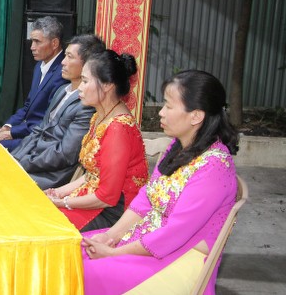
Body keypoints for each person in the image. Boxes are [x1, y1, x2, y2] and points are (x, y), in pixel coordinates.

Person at [81, 70, 239, 295]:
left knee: (81, 271)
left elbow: (174, 233)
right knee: (70, 249)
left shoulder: (214, 167)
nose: (161, 113)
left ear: (196, 116)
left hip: (178, 260)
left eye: (168, 106)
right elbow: (147, 198)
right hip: (148, 240)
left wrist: (114, 253)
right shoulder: (178, 146)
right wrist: (111, 236)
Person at [44, 49, 148, 231]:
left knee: (47, 226)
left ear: (107, 85)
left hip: (114, 213)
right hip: (95, 198)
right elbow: (93, 174)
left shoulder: (118, 128)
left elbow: (107, 197)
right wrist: (58, 192)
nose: (80, 87)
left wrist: (62, 202)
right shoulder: (101, 116)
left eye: (85, 81)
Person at [10, 34, 105, 189]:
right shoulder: (61, 90)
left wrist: (24, 162)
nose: (62, 62)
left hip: (50, 175)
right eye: (65, 56)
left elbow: (65, 154)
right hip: (33, 159)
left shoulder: (87, 105)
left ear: (88, 65)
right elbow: (40, 129)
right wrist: (15, 157)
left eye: (69, 57)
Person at [0, 16, 68, 150]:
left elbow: (48, 121)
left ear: (54, 43)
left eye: (37, 42)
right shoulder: (39, 66)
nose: (32, 47)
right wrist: (8, 126)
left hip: (39, 138)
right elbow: (28, 105)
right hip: (26, 131)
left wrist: (12, 133)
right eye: (32, 41)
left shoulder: (63, 73)